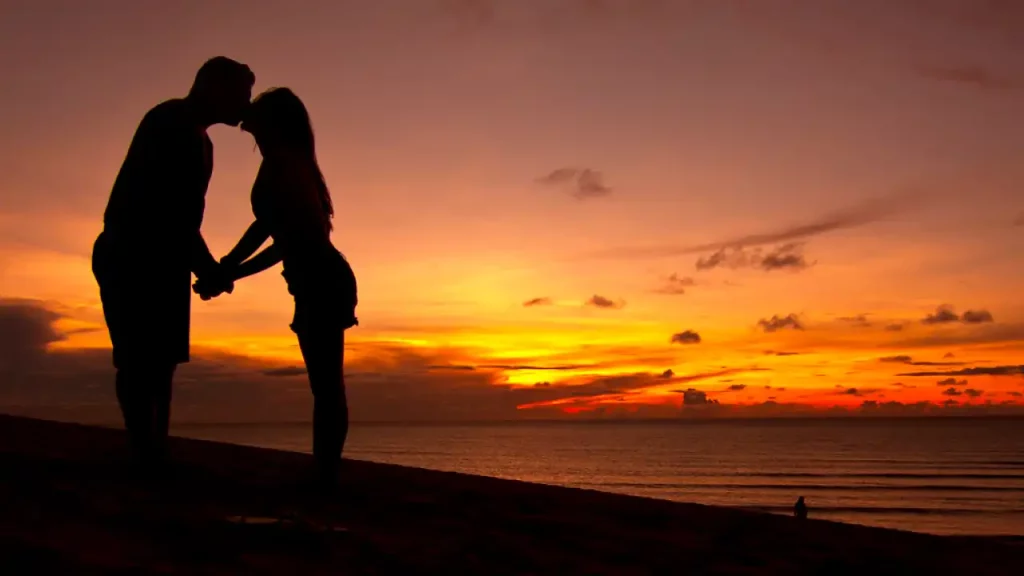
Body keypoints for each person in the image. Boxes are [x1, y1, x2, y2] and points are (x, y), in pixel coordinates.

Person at [92, 56, 255, 470]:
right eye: (242, 94)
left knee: (159, 362)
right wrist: (209, 269)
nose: (245, 106)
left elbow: (182, 219)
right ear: (216, 89)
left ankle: (151, 448)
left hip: (163, 260)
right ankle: (143, 449)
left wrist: (204, 267)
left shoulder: (198, 138)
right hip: (134, 255)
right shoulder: (173, 124)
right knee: (138, 360)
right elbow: (172, 213)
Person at [194, 87, 358, 485]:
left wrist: (227, 273)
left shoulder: (285, 167)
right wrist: (226, 266)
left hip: (322, 281)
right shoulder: (287, 165)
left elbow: (282, 243)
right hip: (317, 280)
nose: (252, 131)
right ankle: (326, 472)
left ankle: (326, 475)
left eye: (258, 124)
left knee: (326, 386)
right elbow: (266, 226)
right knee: (326, 385)